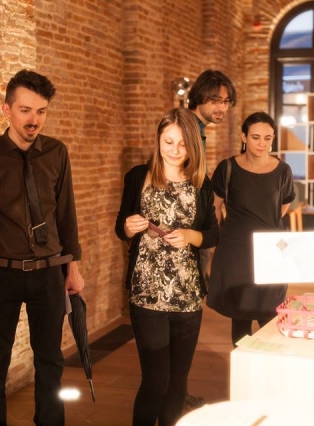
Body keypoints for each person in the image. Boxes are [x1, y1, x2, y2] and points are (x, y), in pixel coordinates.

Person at [0, 69, 84, 426]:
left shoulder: (57, 152)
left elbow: (66, 215)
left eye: (41, 111)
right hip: (1, 274)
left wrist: (72, 267)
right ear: (6, 110)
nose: (34, 120)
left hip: (49, 271)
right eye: (26, 110)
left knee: (51, 362)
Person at [115, 108, 219, 426]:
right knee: (155, 381)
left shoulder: (201, 183)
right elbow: (121, 227)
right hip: (147, 293)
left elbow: (212, 234)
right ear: (158, 139)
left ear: (193, 146)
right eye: (168, 141)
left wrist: (189, 235)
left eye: (183, 144)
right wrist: (129, 226)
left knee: (176, 384)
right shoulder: (138, 176)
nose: (174, 150)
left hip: (187, 295)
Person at [206, 111, 295, 346]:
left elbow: (283, 206)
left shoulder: (282, 170)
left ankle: (270, 363)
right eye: (256, 137)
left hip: (271, 250)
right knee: (241, 314)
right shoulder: (227, 168)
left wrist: (264, 227)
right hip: (237, 251)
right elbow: (215, 207)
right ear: (244, 137)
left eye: (268, 138)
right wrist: (215, 244)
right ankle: (243, 363)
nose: (262, 143)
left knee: (271, 313)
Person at [185, 68, 237, 409]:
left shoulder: (198, 128)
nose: (222, 107)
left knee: (191, 309)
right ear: (199, 97)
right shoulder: (186, 126)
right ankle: (174, 393)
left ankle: (177, 390)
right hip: (186, 231)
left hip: (195, 229)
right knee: (187, 311)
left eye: (226, 101)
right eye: (215, 100)